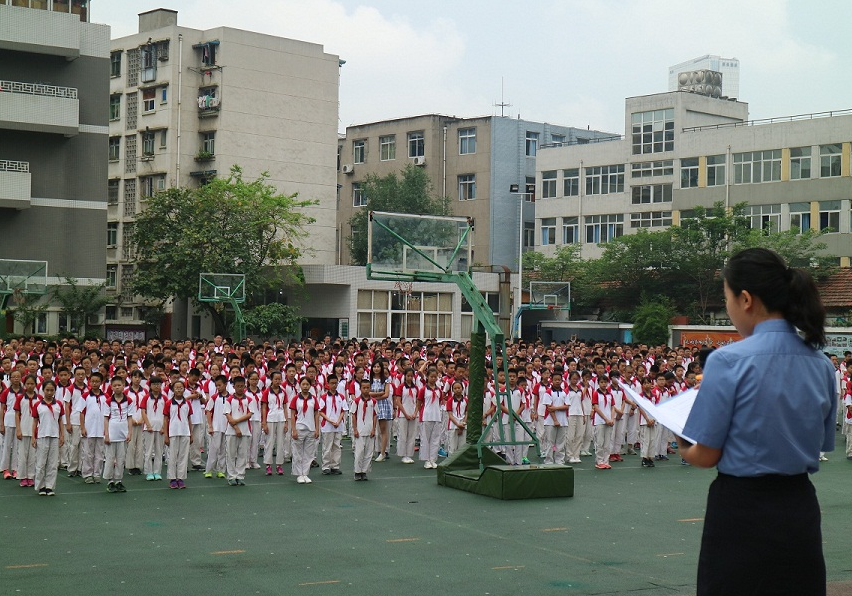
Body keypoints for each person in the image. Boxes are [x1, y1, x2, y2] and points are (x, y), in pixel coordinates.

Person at [680, 247, 836, 596]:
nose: (730, 309)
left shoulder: (727, 361)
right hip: (799, 506)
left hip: (742, 510)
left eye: (727, 299)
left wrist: (677, 433)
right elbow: (823, 442)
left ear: (746, 299)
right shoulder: (822, 364)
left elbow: (704, 456)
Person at [31, 379, 64, 496]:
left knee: (52, 463)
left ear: (55, 391)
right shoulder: (38, 405)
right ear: (43, 390)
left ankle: (50, 486)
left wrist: (62, 435)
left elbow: (60, 420)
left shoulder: (59, 404)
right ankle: (41, 486)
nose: (49, 392)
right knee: (41, 462)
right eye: (47, 390)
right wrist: (33, 437)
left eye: (52, 390)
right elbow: (35, 421)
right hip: (42, 435)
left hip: (54, 435)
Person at [102, 376, 134, 493]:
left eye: (119, 385)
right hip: (112, 431)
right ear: (111, 387)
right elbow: (106, 418)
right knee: (110, 458)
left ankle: (118, 480)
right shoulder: (108, 401)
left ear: (124, 385)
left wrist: (130, 432)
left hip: (123, 431)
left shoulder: (129, 401)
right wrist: (106, 434)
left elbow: (129, 418)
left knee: (121, 458)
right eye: (114, 385)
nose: (117, 387)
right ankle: (110, 481)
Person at [318, 372, 347, 475]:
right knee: (327, 446)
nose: (334, 385)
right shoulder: (324, 397)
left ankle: (335, 465)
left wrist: (338, 421)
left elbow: (343, 410)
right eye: (332, 383)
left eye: (335, 383)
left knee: (337, 446)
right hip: (327, 425)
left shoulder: (342, 397)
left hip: (338, 425)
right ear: (328, 384)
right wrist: (330, 420)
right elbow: (320, 411)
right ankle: (326, 466)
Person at [352, 379, 376, 481]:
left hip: (370, 429)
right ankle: (357, 471)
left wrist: (374, 429)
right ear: (360, 388)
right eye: (364, 388)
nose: (366, 390)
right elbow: (353, 415)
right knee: (359, 451)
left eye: (368, 388)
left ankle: (364, 471)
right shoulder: (357, 401)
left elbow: (375, 415)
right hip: (360, 429)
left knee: (369, 452)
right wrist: (355, 429)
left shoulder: (373, 401)